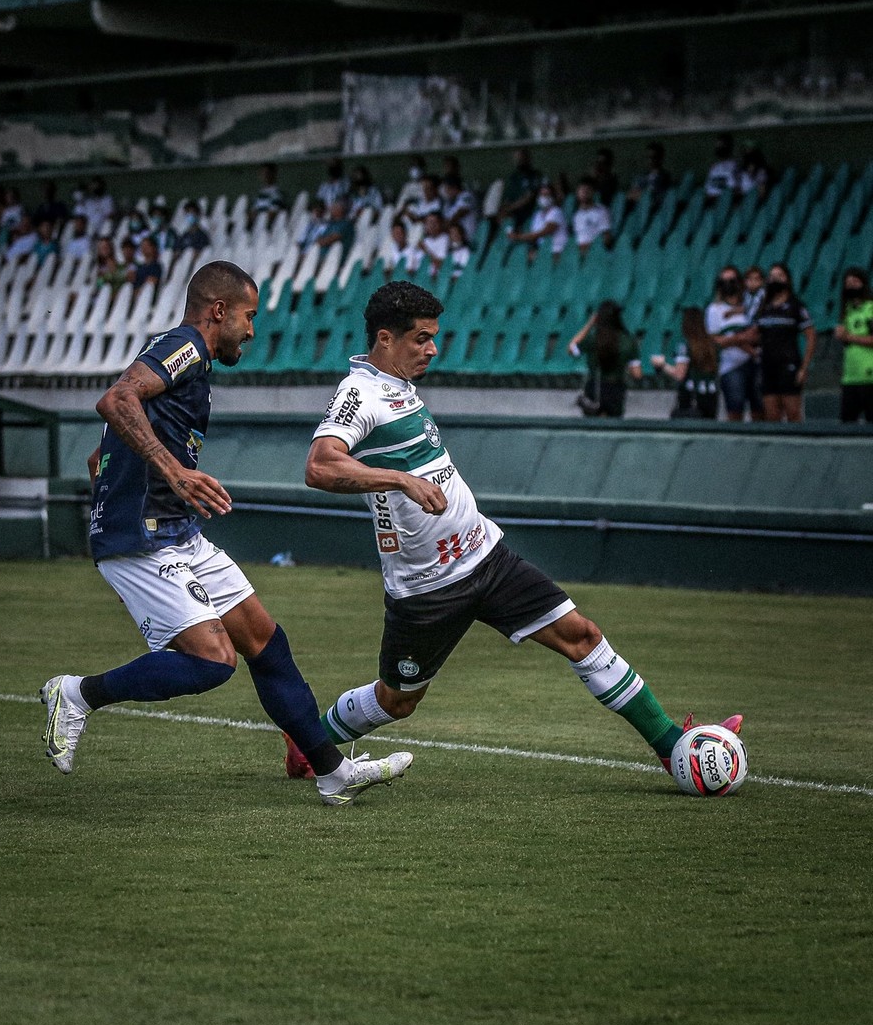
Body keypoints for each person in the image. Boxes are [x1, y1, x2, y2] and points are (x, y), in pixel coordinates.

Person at [297, 280, 741, 786]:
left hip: (486, 557)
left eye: (433, 336)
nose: (432, 348)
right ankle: (310, 742)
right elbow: (320, 466)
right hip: (427, 589)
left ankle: (671, 748)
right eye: (421, 338)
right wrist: (400, 479)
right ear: (384, 338)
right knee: (398, 701)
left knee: (583, 636)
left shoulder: (399, 385)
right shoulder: (361, 392)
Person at [41, 260, 412, 808]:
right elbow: (116, 400)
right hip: (143, 537)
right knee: (213, 662)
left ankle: (333, 773)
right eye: (248, 316)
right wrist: (170, 474)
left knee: (264, 639)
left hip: (174, 530)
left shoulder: (186, 366)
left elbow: (105, 449)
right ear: (219, 311)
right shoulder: (185, 345)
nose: (252, 330)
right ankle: (74, 694)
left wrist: (130, 481)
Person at [751, 262, 816, 423]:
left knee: (793, 413)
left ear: (787, 280)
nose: (775, 279)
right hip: (767, 366)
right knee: (772, 415)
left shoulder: (796, 306)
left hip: (789, 365)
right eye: (772, 276)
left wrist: (804, 367)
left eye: (779, 276)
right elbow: (755, 335)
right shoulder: (764, 307)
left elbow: (811, 336)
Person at [705, 264, 761, 422]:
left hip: (756, 363)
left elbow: (759, 335)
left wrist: (733, 338)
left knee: (760, 410)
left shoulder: (752, 306)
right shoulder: (714, 310)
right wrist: (740, 338)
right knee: (735, 411)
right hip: (732, 366)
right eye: (724, 280)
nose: (728, 284)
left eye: (732, 280)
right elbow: (716, 340)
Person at [567, 300, 641, 418]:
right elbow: (637, 373)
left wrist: (589, 324)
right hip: (616, 389)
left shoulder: (593, 339)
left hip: (594, 389)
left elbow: (571, 349)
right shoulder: (629, 341)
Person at [651, 306, 719, 419]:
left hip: (691, 396)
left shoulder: (685, 344)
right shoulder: (712, 344)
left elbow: (679, 374)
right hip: (711, 395)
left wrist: (662, 365)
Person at [834, 267, 873, 423]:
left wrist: (849, 336)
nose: (851, 286)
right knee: (847, 424)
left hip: (869, 377)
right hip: (850, 377)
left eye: (855, 282)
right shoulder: (846, 310)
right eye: (848, 283)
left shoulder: (870, 309)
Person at [507, 179, 568, 262]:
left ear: (552, 197)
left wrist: (518, 237)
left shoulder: (556, 212)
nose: (544, 197)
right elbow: (533, 237)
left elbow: (542, 233)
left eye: (547, 194)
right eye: (542, 195)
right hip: (540, 252)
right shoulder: (537, 215)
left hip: (555, 251)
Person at [496, 147, 541, 232]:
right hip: (513, 212)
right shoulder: (514, 177)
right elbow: (507, 197)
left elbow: (529, 197)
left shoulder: (534, 176)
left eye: (521, 158)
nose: (519, 161)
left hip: (528, 212)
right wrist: (503, 210)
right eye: (517, 158)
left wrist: (510, 208)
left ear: (527, 158)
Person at [572, 178, 612, 256]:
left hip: (595, 252)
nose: (585, 193)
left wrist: (589, 247)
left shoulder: (601, 211)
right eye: (582, 190)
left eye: (588, 190)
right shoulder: (576, 215)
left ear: (593, 192)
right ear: (577, 193)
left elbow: (607, 238)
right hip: (578, 253)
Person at [627, 141, 672, 207]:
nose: (651, 160)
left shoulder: (664, 177)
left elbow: (655, 196)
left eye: (654, 157)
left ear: (660, 158)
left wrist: (641, 195)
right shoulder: (640, 177)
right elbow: (630, 195)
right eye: (648, 157)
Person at [704, 133, 738, 201]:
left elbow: (735, 189)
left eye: (721, 145)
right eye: (717, 145)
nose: (718, 147)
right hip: (712, 202)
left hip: (726, 202)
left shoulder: (735, 166)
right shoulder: (714, 168)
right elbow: (708, 190)